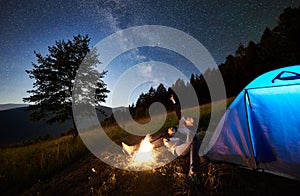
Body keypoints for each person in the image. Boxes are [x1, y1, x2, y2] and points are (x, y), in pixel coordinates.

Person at [163, 93, 201, 183]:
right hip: (177, 149)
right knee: (193, 139)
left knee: (193, 137)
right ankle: (193, 171)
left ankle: (192, 171)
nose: (188, 119)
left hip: (184, 145)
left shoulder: (189, 131)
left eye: (191, 120)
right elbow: (178, 111)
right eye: (189, 118)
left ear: (191, 124)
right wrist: (173, 100)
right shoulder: (181, 124)